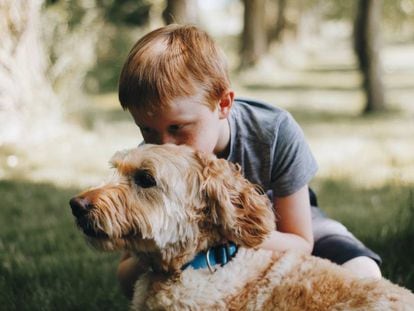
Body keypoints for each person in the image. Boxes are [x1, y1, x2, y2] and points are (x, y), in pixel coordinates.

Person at [116, 24, 382, 299]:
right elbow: (126, 277)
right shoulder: (150, 167)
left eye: (178, 128)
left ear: (223, 104)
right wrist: (156, 250)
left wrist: (222, 234)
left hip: (284, 225)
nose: (163, 146)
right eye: (147, 130)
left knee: (364, 272)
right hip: (197, 247)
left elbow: (301, 242)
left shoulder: (273, 132)